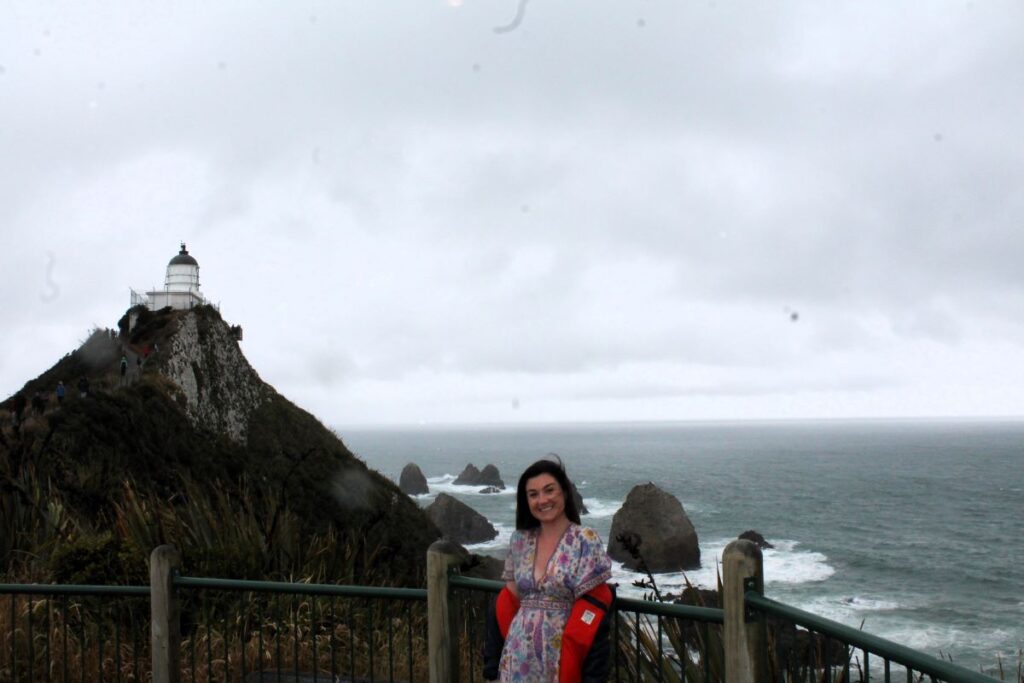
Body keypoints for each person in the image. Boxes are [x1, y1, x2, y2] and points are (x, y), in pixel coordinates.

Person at [484, 458, 614, 682]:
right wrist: (492, 664)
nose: (542, 500)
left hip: (561, 659)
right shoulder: (519, 541)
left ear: (564, 492)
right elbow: (509, 599)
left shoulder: (585, 540)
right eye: (533, 494)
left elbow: (594, 609)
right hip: (516, 657)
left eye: (549, 490)